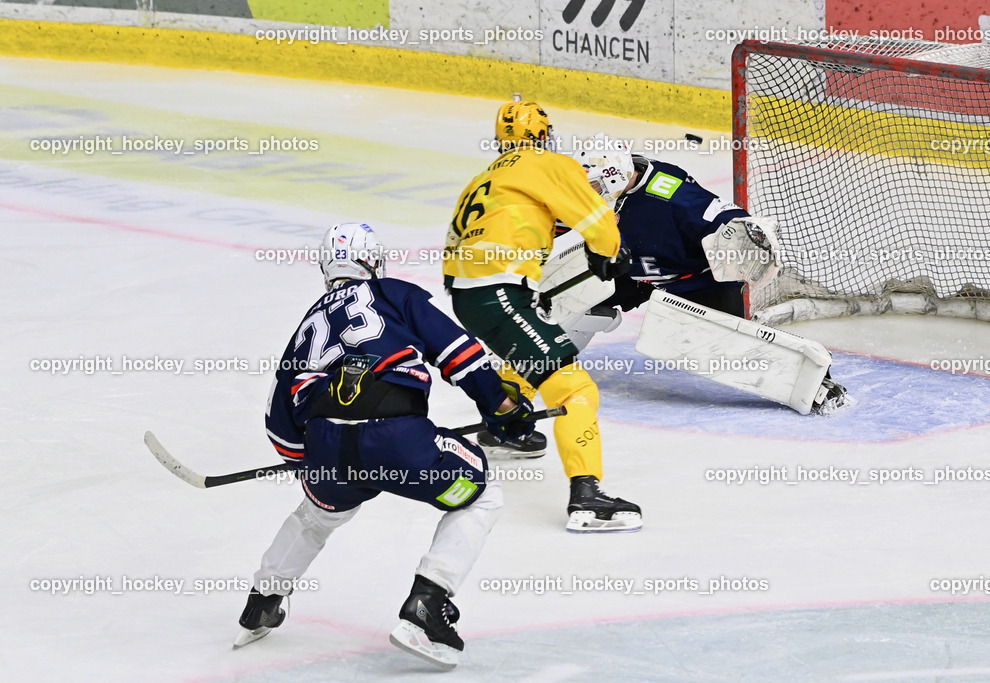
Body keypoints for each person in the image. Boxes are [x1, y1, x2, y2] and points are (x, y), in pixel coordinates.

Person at [235, 222, 535, 670]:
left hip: (328, 453)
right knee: (480, 496)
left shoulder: (307, 324)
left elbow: (280, 421)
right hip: (399, 443)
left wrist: (307, 463)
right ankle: (428, 604)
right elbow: (460, 354)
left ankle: (262, 601)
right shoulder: (395, 292)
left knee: (316, 514)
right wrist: (503, 408)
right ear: (374, 262)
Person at [442, 99, 643, 533]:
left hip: (468, 292)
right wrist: (608, 253)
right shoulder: (546, 162)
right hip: (497, 291)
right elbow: (598, 219)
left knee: (533, 351)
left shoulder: (484, 178)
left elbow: (474, 237)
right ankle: (587, 497)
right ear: (543, 134)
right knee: (575, 391)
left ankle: (505, 427)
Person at [566, 136, 850, 413]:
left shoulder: (669, 195)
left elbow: (726, 218)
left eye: (593, 185)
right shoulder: (619, 184)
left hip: (698, 282)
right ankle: (546, 355)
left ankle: (815, 384)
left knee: (729, 350)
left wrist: (744, 235)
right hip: (636, 270)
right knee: (574, 292)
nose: (588, 192)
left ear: (615, 176)